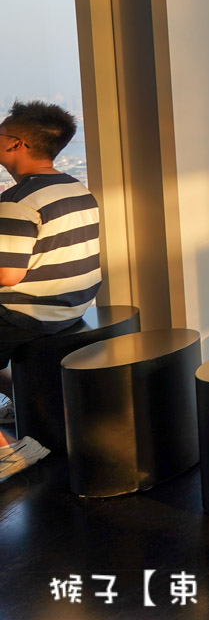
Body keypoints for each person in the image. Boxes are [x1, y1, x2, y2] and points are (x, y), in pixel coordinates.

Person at [0, 101, 103, 479]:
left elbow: (8, 275)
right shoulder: (73, 186)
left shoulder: (17, 200)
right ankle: (20, 402)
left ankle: (7, 451)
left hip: (29, 312)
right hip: (70, 306)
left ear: (17, 144)